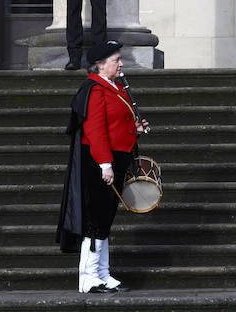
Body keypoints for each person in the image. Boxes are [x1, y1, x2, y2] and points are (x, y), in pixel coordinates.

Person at [56, 40, 149, 293]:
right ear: (100, 65)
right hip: (99, 162)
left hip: (115, 159)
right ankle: (88, 278)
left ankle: (103, 274)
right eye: (116, 60)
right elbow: (95, 131)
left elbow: (116, 125)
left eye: (120, 59)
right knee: (94, 221)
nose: (121, 64)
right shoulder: (95, 89)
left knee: (104, 220)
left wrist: (135, 129)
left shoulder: (113, 87)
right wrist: (105, 164)